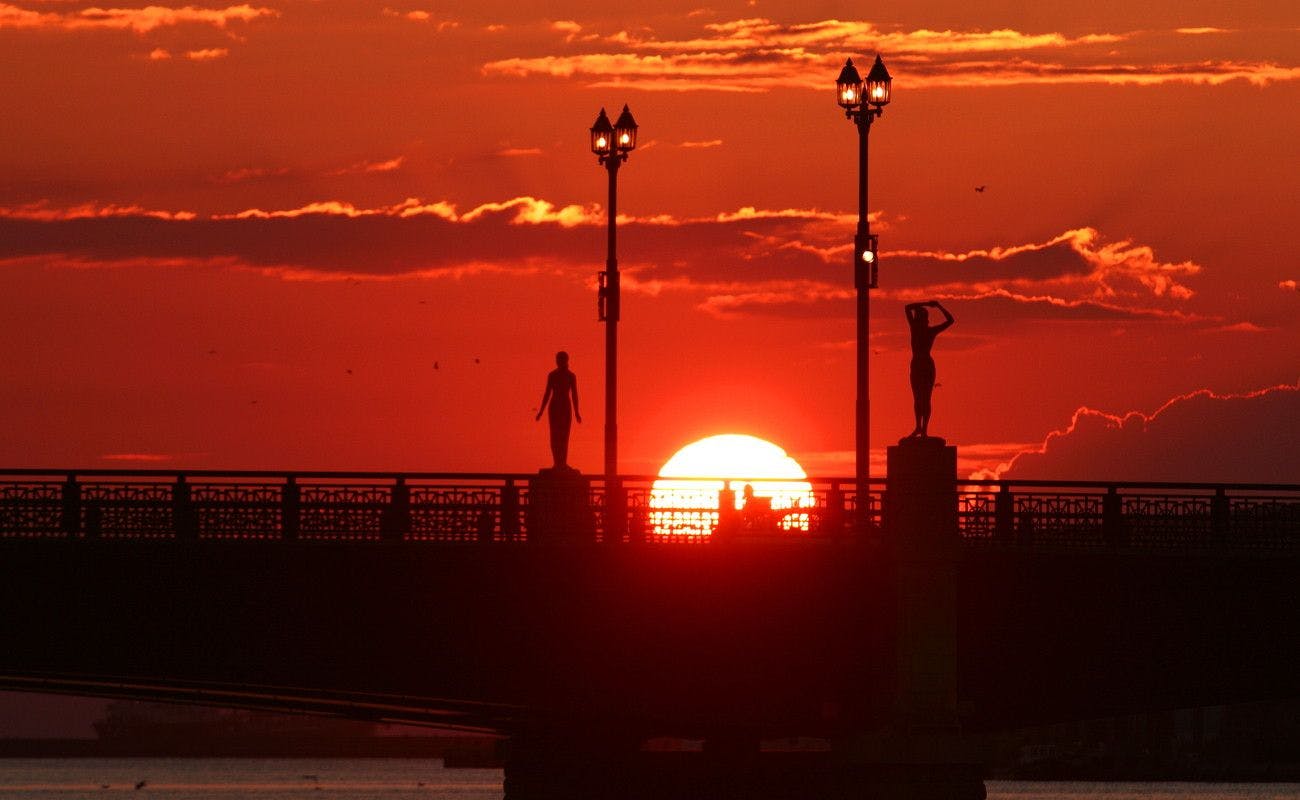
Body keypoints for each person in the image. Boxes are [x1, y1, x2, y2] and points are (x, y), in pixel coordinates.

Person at [904, 300, 954, 438]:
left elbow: (950, 320)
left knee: (925, 398)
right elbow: (907, 307)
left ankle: (924, 429)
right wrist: (929, 304)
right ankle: (918, 427)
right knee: (917, 398)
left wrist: (937, 306)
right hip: (916, 364)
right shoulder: (915, 328)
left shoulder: (928, 331)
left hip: (925, 365)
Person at [535, 351, 581, 469]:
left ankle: (563, 463)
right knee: (554, 435)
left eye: (560, 359)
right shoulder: (552, 375)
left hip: (565, 406)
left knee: (564, 436)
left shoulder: (571, 376)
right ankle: (557, 462)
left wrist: (577, 412)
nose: (558, 362)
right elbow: (547, 393)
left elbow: (574, 395)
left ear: (565, 360)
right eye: (557, 359)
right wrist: (541, 411)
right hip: (555, 406)